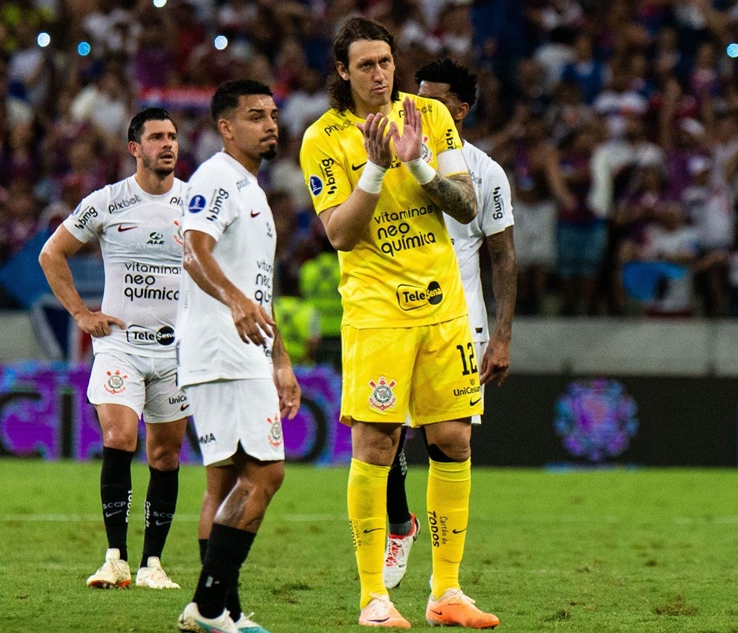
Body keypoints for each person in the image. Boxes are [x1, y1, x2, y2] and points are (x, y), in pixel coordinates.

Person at [300, 18, 499, 628]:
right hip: (378, 312)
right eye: (366, 65)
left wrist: (419, 167)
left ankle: (446, 592)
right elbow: (339, 232)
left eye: (386, 61)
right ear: (342, 72)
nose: (380, 74)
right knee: (378, 445)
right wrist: (376, 169)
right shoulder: (323, 138)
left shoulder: (429, 118)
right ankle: (375, 599)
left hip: (443, 308)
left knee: (454, 440)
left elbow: (467, 206)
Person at [379, 57, 517, 590]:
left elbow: (503, 256)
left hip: (459, 324)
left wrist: (502, 335)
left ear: (458, 110)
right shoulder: (388, 157)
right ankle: (398, 523)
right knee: (385, 435)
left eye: (429, 101)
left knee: (448, 442)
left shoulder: (485, 172)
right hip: (395, 315)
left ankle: (446, 580)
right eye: (412, 98)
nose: (413, 108)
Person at [38, 108, 190, 590]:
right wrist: (82, 315)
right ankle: (115, 559)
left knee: (166, 457)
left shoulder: (196, 202)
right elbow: (51, 253)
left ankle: (153, 566)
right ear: (135, 149)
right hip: (118, 346)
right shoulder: (107, 201)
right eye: (157, 138)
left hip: (175, 352)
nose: (168, 145)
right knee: (120, 437)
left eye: (172, 137)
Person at [176, 79, 300, 633]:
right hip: (223, 350)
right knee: (266, 473)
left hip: (244, 351)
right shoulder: (217, 178)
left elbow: (259, 287)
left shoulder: (251, 187)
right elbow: (192, 251)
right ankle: (206, 608)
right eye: (255, 116)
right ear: (226, 127)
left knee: (224, 483)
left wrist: (281, 359)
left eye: (272, 114)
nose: (270, 123)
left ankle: (224, 610)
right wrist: (233, 304)